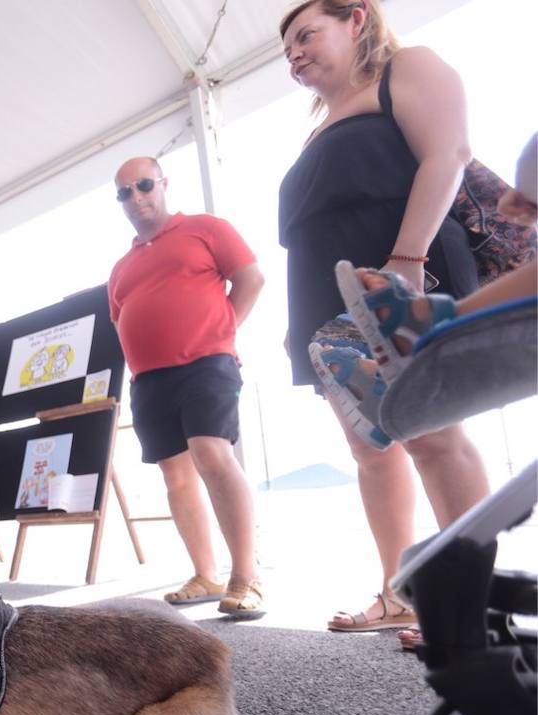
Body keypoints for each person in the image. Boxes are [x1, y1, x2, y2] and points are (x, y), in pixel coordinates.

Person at [278, 0, 489, 635]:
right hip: (326, 302)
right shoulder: (319, 128)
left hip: (401, 270)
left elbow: (448, 153)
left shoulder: (406, 68)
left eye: (306, 35)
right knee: (369, 446)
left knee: (432, 434)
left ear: (357, 18)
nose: (294, 54)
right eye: (287, 49)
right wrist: (299, 322)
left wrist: (407, 261)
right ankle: (400, 593)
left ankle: (476, 605)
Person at [107, 157, 267, 618]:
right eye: (124, 192)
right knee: (175, 476)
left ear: (163, 184)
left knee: (212, 453)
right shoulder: (120, 268)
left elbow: (252, 278)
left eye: (143, 185)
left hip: (206, 364)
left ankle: (247, 576)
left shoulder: (206, 229)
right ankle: (205, 575)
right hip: (149, 379)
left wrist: (221, 332)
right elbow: (120, 320)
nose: (136, 197)